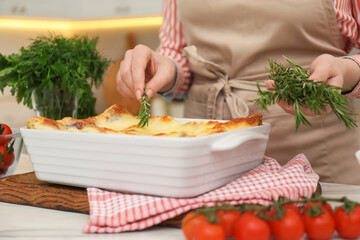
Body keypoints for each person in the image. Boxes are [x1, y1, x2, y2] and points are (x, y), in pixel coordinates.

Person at [116, 0, 360, 185]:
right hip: (207, 164)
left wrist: (346, 70)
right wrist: (165, 69)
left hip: (316, 162)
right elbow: (179, 52)